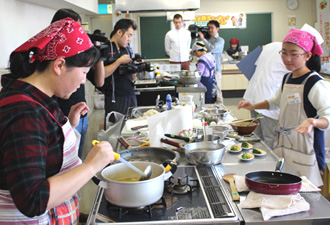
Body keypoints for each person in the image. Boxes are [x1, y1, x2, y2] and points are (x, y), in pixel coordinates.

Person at [0, 18, 115, 224]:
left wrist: (68, 126)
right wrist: (90, 166)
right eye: (84, 72)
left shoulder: (39, 97)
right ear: (59, 65)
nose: (82, 81)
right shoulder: (25, 113)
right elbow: (33, 200)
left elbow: (40, 150)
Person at [237, 28, 330, 187]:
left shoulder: (315, 83)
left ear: (307, 56)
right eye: (284, 52)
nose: (287, 58)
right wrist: (253, 105)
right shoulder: (288, 77)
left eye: (294, 54)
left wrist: (313, 122)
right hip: (286, 144)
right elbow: (276, 100)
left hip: (307, 147)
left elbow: (327, 117)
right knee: (288, 182)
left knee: (307, 188)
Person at [51, 8, 106, 158]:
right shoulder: (51, 57)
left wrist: (98, 55)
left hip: (80, 117)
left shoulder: (79, 55)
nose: (83, 80)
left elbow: (99, 82)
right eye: (74, 28)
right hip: (59, 120)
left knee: (76, 161)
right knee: (63, 163)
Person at [89, 19, 136, 127]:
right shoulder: (104, 49)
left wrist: (135, 67)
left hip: (130, 95)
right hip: (115, 98)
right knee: (114, 131)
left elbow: (133, 77)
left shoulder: (127, 49)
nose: (129, 39)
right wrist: (118, 61)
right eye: (128, 35)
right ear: (119, 32)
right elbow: (101, 75)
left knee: (132, 128)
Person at [242, 42, 289, 148]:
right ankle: (268, 164)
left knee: (255, 135)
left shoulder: (270, 46)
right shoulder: (290, 54)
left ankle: (253, 160)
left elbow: (254, 66)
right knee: (270, 139)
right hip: (268, 100)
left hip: (253, 96)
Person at [198, 20, 225, 103]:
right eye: (208, 28)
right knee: (209, 93)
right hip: (206, 71)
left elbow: (212, 48)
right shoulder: (207, 39)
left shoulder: (220, 40)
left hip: (215, 70)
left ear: (217, 29)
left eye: (212, 28)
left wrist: (203, 39)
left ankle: (221, 110)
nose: (209, 30)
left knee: (217, 92)